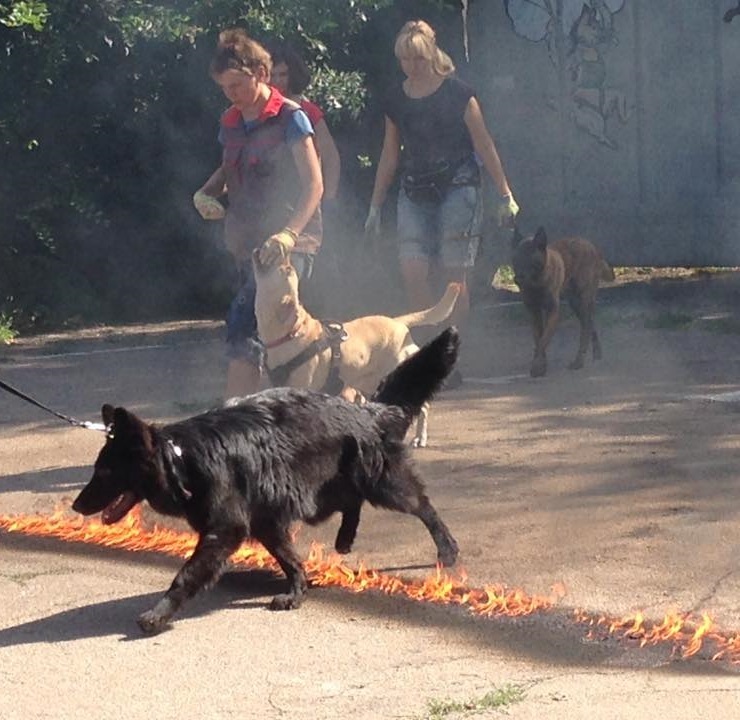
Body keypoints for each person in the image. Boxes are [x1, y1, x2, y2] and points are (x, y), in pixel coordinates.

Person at [364, 19, 519, 381]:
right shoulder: (395, 98)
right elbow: (389, 154)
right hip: (414, 189)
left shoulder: (459, 94)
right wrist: (375, 204)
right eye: (404, 59)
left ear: (430, 55)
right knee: (413, 269)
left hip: (459, 186)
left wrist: (505, 193)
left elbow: (484, 144)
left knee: (454, 274)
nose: (411, 66)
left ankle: (450, 355)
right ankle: (426, 352)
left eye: (417, 58)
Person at [192, 28, 323, 398]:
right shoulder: (230, 122)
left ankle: (235, 423)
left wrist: (290, 234)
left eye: (236, 84)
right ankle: (273, 418)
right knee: (267, 335)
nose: (230, 94)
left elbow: (315, 185)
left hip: (289, 246)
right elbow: (229, 169)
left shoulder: (291, 119)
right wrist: (206, 192)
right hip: (246, 243)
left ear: (261, 73)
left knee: (244, 326)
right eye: (224, 87)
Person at [268, 41, 341, 203]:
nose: (277, 81)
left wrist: (329, 199)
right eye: (272, 75)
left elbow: (331, 156)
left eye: (283, 74)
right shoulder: (254, 113)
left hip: (304, 198)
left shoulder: (308, 111)